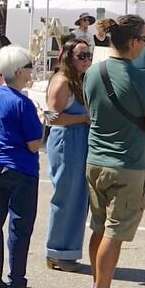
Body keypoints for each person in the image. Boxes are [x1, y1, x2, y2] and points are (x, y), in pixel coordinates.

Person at [83, 15, 145, 288]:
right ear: (132, 42)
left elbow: (93, 115)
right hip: (125, 163)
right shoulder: (140, 79)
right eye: (144, 39)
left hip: (95, 160)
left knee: (99, 228)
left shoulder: (92, 72)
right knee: (114, 232)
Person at [0, 46, 44, 288]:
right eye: (28, 67)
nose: (31, 71)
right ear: (19, 72)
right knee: (20, 226)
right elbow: (33, 144)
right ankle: (17, 281)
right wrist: (41, 121)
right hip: (21, 168)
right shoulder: (24, 103)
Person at [44, 39, 93, 272]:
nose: (86, 60)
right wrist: (82, 119)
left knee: (79, 198)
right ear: (68, 57)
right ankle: (56, 251)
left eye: (88, 55)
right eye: (81, 56)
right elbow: (51, 118)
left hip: (79, 141)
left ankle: (68, 250)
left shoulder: (80, 81)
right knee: (65, 195)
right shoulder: (62, 81)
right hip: (66, 141)